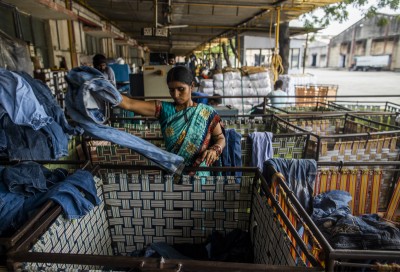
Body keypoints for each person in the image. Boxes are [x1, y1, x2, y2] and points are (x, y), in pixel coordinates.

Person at [118, 65, 226, 175]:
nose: (175, 94)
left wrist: (215, 150)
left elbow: (220, 138)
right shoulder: (164, 110)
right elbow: (129, 104)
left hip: (200, 174)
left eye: (181, 89)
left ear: (192, 86)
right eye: (171, 90)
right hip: (174, 173)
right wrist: (105, 88)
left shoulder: (207, 113)